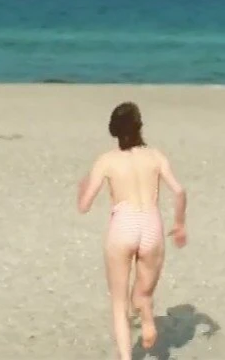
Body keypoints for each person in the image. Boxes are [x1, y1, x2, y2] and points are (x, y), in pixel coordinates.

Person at [76, 101, 188, 360]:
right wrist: (179, 224)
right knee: (143, 294)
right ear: (140, 126)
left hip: (123, 225)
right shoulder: (155, 156)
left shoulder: (106, 160)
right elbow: (180, 191)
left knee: (119, 303)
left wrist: (81, 188)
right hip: (151, 224)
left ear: (113, 130)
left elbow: (84, 206)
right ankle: (147, 320)